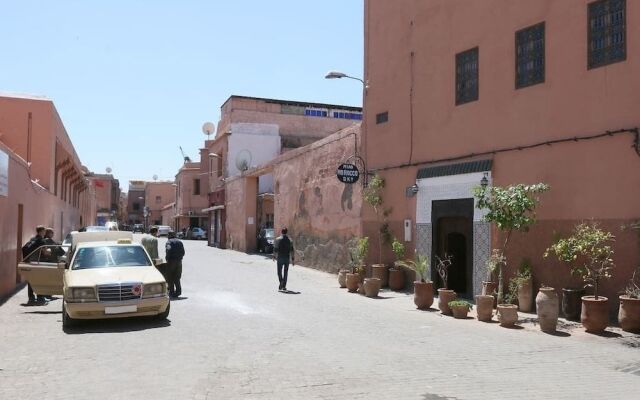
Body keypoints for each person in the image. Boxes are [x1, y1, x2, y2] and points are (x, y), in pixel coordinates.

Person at [21, 225, 48, 305]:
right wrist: (49, 252)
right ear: (41, 231)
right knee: (40, 280)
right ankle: (40, 297)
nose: (45, 232)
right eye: (44, 231)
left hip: (30, 262)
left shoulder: (32, 239)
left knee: (31, 280)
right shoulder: (42, 241)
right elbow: (45, 252)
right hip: (38, 263)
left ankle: (31, 297)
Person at [273, 227, 295, 292]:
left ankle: (281, 282)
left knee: (279, 271)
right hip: (287, 258)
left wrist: (274, 256)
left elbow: (275, 249)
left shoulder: (278, 239)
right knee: (285, 272)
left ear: (281, 232)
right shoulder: (290, 240)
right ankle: (284, 286)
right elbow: (292, 250)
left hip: (280, 257)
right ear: (286, 232)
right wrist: (293, 259)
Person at [165, 231, 185, 298]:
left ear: (169, 235)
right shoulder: (180, 242)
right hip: (179, 262)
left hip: (171, 261)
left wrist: (167, 258)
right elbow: (183, 252)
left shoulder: (169, 242)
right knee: (177, 277)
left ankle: (171, 292)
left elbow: (168, 251)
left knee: (170, 277)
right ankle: (178, 292)